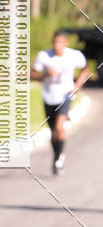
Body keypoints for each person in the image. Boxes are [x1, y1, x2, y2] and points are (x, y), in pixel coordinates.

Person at [31, 29, 89, 175]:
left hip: (66, 96)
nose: (57, 46)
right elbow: (31, 74)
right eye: (54, 43)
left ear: (65, 43)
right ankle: (58, 156)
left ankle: (58, 161)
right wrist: (45, 75)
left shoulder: (74, 55)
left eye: (60, 43)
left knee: (59, 126)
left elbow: (85, 70)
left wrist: (77, 85)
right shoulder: (44, 56)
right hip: (49, 97)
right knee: (53, 132)